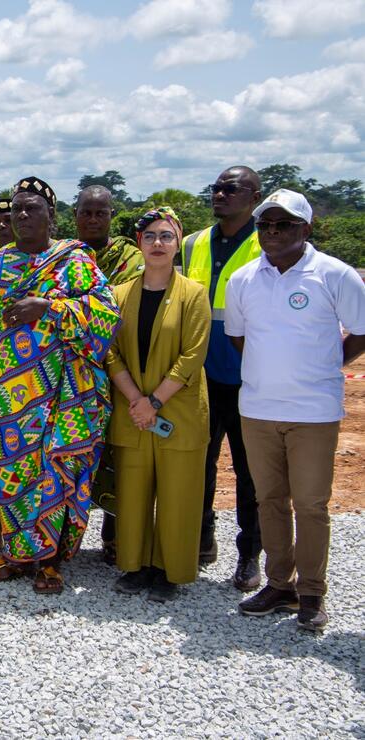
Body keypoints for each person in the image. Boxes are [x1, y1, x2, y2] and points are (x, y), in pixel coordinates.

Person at [0, 176, 120, 594]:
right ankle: (15, 556)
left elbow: (105, 316)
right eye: (16, 210)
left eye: (32, 208)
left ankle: (49, 561)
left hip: (67, 398)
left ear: (53, 215)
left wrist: (47, 307)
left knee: (57, 476)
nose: (22, 215)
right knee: (13, 477)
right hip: (7, 398)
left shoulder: (76, 261)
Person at [226, 189, 365, 631]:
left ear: (305, 229)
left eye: (282, 224)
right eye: (265, 224)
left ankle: (311, 592)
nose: (271, 232)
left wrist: (325, 365)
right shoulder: (243, 280)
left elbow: (361, 332)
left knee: (310, 504)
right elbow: (239, 338)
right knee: (269, 499)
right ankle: (279, 584)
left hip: (314, 412)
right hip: (259, 408)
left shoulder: (335, 275)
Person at [105, 207, 210, 602]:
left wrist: (154, 401)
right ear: (139, 243)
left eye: (166, 236)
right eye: (149, 236)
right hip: (134, 413)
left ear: (178, 242)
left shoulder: (194, 294)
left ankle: (170, 571)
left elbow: (192, 356)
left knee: (178, 496)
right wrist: (136, 400)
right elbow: (111, 352)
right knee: (132, 494)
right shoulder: (120, 294)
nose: (158, 244)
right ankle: (136, 566)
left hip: (177, 413)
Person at [181, 165, 263, 590]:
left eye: (231, 188)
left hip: (251, 381)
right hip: (201, 381)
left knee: (252, 475)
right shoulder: (193, 243)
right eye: (215, 187)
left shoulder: (267, 242)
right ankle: (202, 541)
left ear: (254, 195)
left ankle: (250, 555)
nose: (220, 194)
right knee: (201, 466)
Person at [74, 184, 145, 564]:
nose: (92, 219)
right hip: (72, 372)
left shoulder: (129, 257)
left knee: (119, 454)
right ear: (75, 215)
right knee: (74, 453)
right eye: (86, 212)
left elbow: (121, 306)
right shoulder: (64, 255)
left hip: (118, 367)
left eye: (100, 213)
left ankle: (116, 537)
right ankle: (69, 534)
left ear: (111, 217)